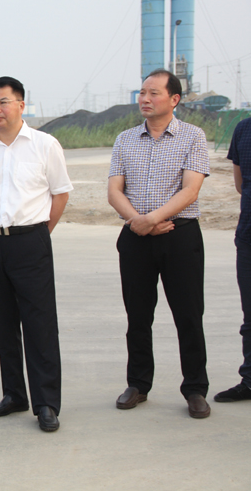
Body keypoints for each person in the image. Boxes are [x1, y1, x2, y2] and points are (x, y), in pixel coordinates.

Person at [0, 76, 71, 433]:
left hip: (31, 241)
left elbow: (60, 194)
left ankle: (46, 402)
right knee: (3, 322)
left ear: (21, 105)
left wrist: (38, 235)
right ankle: (14, 394)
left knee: (40, 324)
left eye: (3, 102)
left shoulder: (44, 144)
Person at [108, 69, 211, 418]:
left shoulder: (193, 136)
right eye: (142, 92)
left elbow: (191, 190)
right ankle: (138, 384)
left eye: (154, 93)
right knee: (137, 314)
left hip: (179, 236)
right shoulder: (125, 139)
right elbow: (114, 191)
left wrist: (151, 220)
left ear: (174, 99)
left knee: (188, 314)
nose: (145, 99)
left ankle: (195, 388)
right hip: (135, 236)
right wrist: (139, 223)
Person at [214, 117, 251, 402]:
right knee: (250, 315)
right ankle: (250, 380)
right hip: (248, 236)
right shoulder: (243, 129)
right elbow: (240, 185)